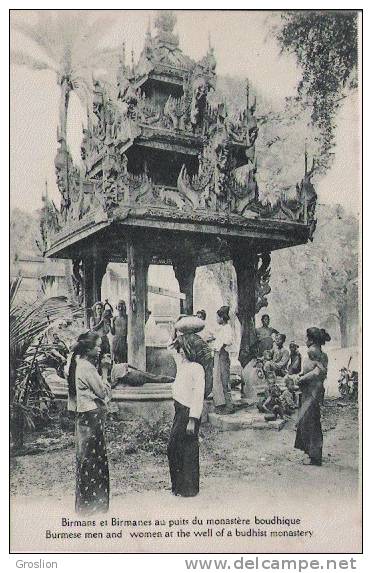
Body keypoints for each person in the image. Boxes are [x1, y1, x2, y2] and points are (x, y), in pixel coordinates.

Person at [67, 331, 112, 514]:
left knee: (86, 459)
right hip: (91, 416)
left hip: (84, 415)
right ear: (88, 349)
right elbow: (103, 393)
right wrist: (105, 371)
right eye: (98, 346)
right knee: (95, 460)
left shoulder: (78, 364)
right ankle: (95, 506)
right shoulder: (88, 367)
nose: (100, 349)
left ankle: (86, 506)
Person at [167, 335, 205, 497]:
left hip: (189, 412)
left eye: (183, 348)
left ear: (190, 349)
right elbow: (170, 348)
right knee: (174, 448)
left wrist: (193, 419)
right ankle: (178, 486)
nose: (180, 351)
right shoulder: (182, 364)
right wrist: (177, 334)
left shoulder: (197, 368)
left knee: (187, 449)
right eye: (180, 348)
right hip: (179, 410)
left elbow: (198, 394)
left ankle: (189, 489)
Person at [294, 327, 330, 467]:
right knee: (309, 420)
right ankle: (312, 453)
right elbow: (311, 370)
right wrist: (302, 376)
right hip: (311, 391)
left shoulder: (313, 351)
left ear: (312, 340)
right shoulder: (319, 352)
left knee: (311, 422)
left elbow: (318, 371)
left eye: (306, 338)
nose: (305, 340)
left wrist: (302, 379)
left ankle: (314, 457)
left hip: (312, 392)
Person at [212, 306, 234, 414]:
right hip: (218, 354)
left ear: (222, 317)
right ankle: (222, 404)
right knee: (218, 379)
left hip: (222, 355)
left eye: (218, 317)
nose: (217, 319)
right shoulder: (222, 329)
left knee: (224, 380)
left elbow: (228, 341)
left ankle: (229, 406)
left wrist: (221, 346)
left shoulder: (227, 328)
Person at [112, 300, 128, 364]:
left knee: (123, 360)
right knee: (116, 359)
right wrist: (109, 325)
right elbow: (113, 332)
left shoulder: (127, 318)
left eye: (122, 307)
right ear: (117, 308)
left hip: (123, 340)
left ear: (124, 307)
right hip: (115, 340)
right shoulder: (114, 318)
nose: (120, 309)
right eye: (119, 307)